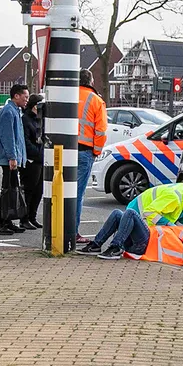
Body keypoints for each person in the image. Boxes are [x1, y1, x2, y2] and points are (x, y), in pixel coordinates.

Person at [77, 183, 183, 259]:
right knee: (122, 213)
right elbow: (149, 213)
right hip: (145, 241)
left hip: (144, 235)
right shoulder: (175, 198)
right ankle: (108, 246)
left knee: (122, 214)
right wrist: (170, 225)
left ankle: (105, 246)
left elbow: (181, 235)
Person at [0, 84, 29, 235]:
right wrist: (12, 157)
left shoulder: (15, 111)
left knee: (11, 190)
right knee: (7, 191)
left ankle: (6, 221)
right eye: (25, 97)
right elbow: (8, 137)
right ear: (16, 96)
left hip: (14, 158)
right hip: (9, 160)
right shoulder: (8, 112)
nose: (27, 100)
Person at [76, 69, 107, 243]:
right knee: (77, 194)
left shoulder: (68, 95)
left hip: (64, 150)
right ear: (91, 82)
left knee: (60, 190)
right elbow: (101, 131)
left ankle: (57, 227)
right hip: (84, 151)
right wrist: (96, 151)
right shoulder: (96, 101)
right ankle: (73, 232)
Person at [19, 94, 44, 230]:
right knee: (29, 190)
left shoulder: (38, 120)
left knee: (38, 190)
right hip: (31, 161)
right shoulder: (26, 120)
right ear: (36, 106)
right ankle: (24, 218)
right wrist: (38, 153)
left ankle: (32, 217)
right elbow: (26, 142)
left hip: (40, 160)